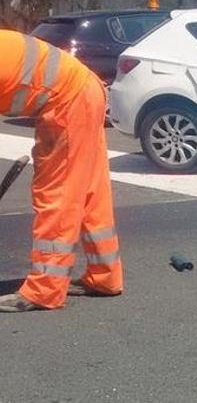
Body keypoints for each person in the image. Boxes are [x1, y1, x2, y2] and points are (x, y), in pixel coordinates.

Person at [0, 30, 123, 312]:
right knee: (90, 190)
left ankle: (45, 289)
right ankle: (104, 277)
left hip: (68, 100)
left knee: (57, 193)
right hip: (83, 90)